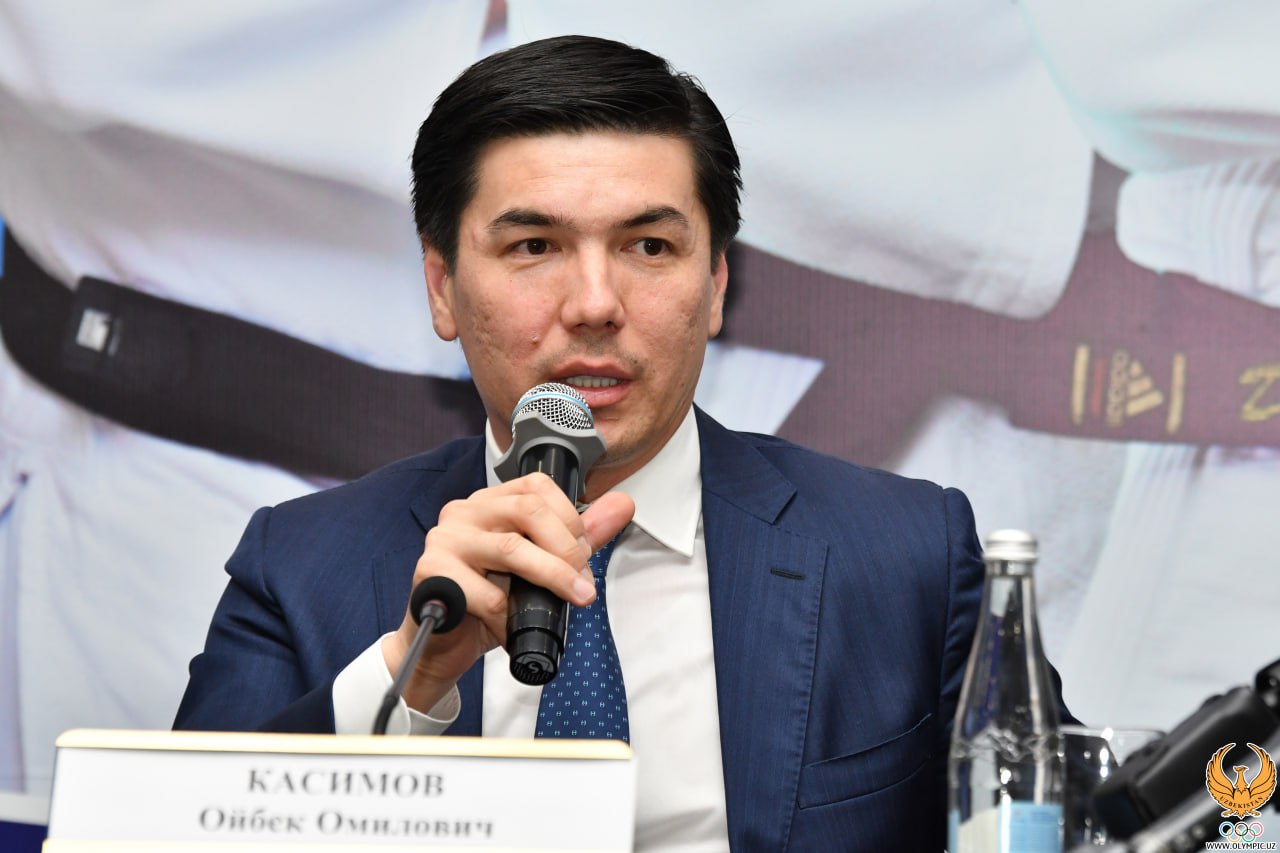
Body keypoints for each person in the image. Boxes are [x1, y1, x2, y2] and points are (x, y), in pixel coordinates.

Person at [175, 35, 997, 851]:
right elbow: (174, 831)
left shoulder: (908, 557)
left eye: (649, 246)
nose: (596, 304)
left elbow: (1043, 819)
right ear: (442, 286)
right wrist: (411, 675)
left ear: (716, 284)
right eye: (534, 247)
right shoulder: (301, 567)